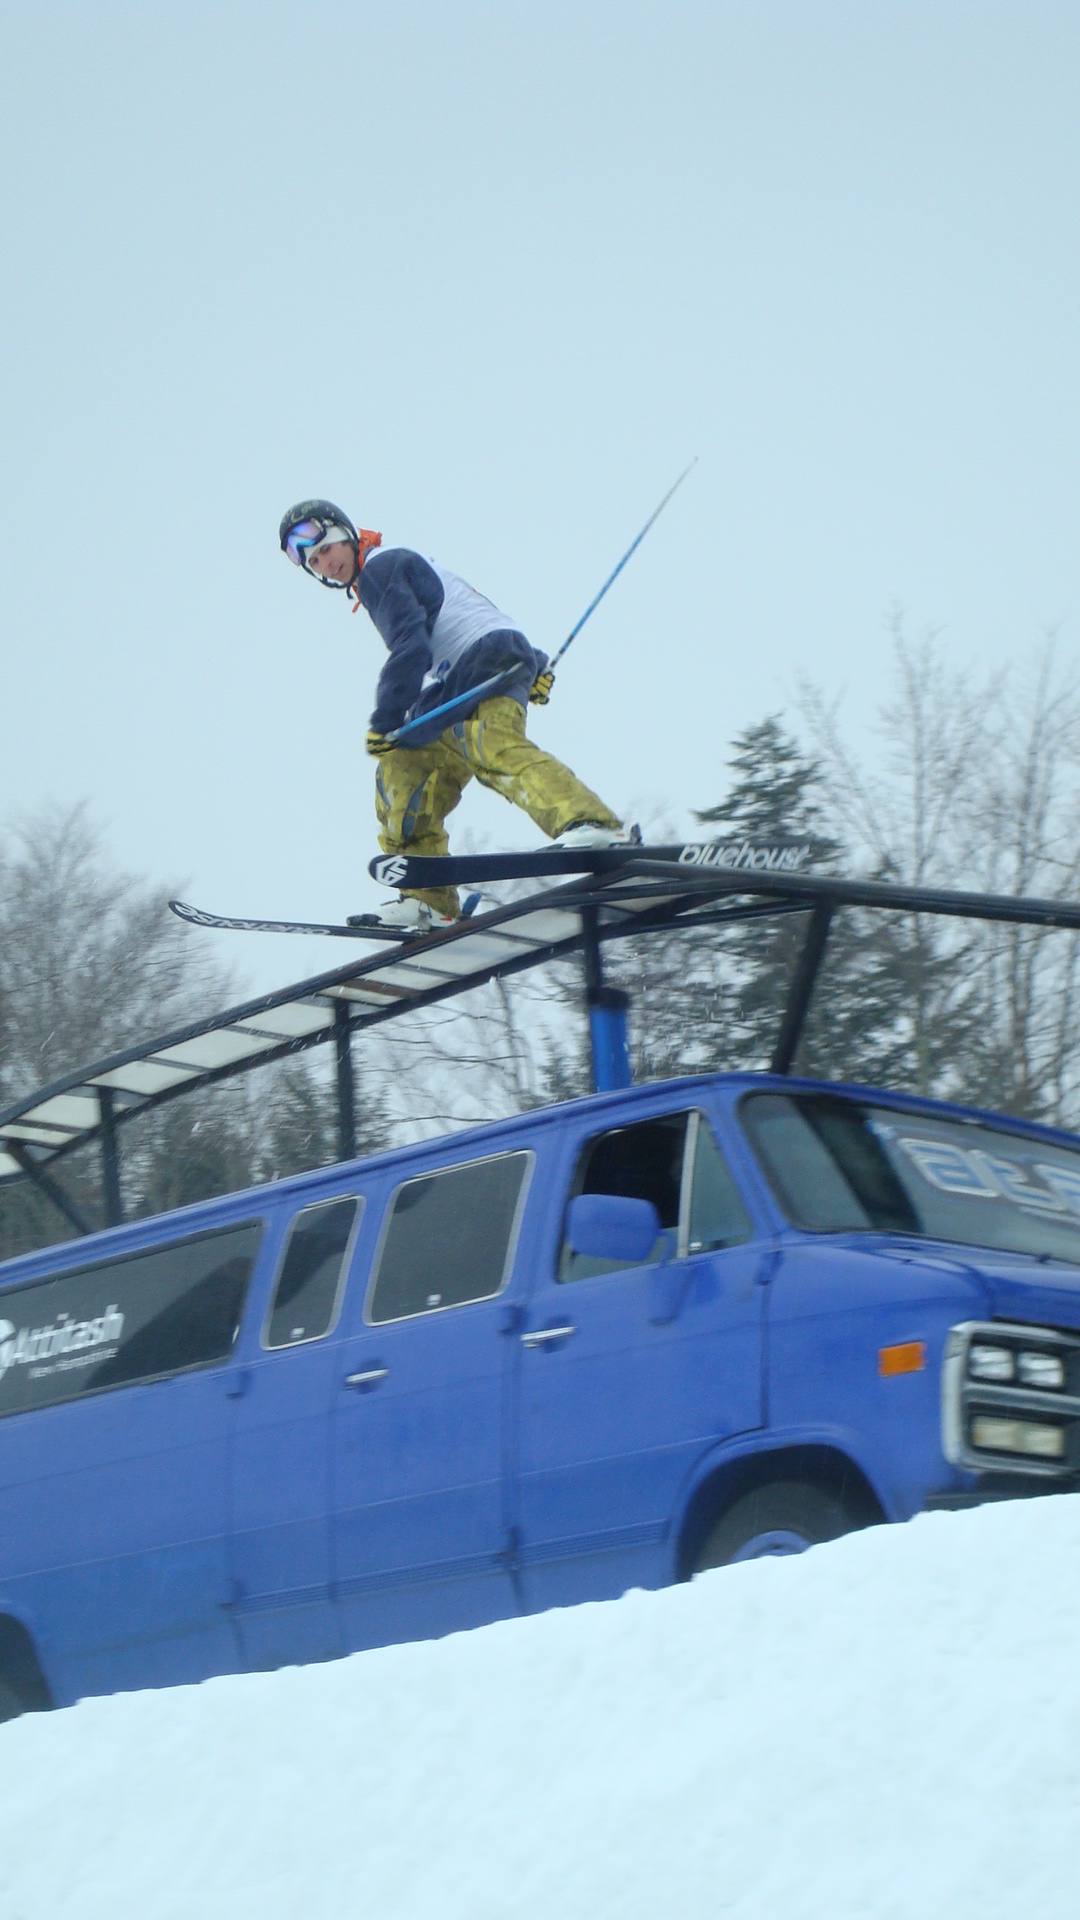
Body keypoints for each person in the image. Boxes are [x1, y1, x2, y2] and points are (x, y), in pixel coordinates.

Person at [279, 499, 635, 929]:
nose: (325, 565)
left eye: (326, 550)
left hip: (484, 659)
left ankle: (593, 824)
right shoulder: (389, 568)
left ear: (345, 535)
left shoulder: (379, 569)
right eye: (314, 563)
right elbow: (472, 609)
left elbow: (411, 646)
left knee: (489, 744)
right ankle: (428, 898)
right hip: (473, 670)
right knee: (404, 763)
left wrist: (385, 719)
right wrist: (535, 663)